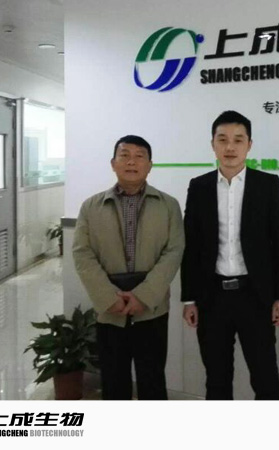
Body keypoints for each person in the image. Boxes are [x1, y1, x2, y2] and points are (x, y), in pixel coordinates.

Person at [181, 110, 279, 400]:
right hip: (212, 297)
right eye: (222, 140)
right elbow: (191, 245)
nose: (230, 147)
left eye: (238, 140)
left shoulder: (267, 185)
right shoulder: (199, 186)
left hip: (255, 296)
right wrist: (189, 298)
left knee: (265, 377)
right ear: (213, 144)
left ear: (249, 145)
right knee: (216, 378)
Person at [73, 135, 184, 400]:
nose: (131, 162)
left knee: (152, 380)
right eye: (124, 155)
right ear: (113, 163)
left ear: (150, 165)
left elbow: (174, 251)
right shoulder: (91, 207)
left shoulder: (169, 205)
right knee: (113, 381)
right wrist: (108, 297)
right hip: (110, 310)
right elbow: (82, 253)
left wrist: (144, 296)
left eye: (139, 156)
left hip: (152, 309)